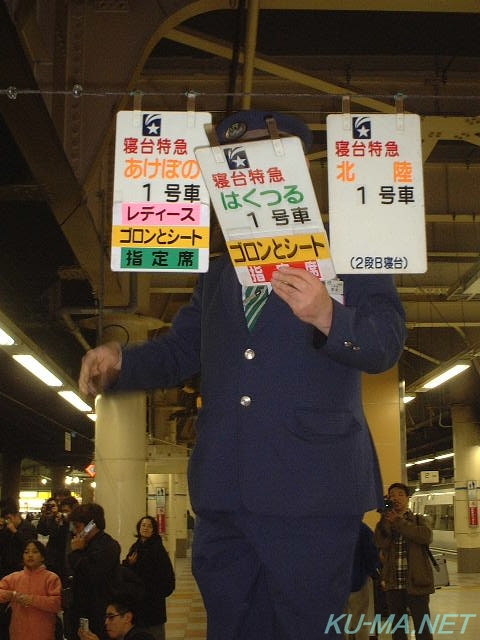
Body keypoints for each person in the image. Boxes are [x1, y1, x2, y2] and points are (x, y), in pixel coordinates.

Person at [78, 109, 407, 640]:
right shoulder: (215, 271)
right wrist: (122, 359)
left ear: (295, 168)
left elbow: (385, 342)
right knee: (229, 627)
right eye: (230, 169)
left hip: (312, 493)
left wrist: (328, 313)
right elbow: (183, 350)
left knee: (306, 629)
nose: (242, 180)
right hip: (223, 492)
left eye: (256, 162)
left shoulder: (352, 250)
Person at [374, 482, 434, 640]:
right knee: (398, 630)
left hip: (416, 582)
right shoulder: (386, 521)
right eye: (392, 495)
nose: (396, 498)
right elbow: (381, 542)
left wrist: (398, 522)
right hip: (393, 583)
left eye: (400, 494)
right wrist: (384, 519)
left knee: (423, 629)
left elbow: (425, 536)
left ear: (407, 498)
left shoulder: (419, 520)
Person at [67, 503, 121, 640]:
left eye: (78, 527)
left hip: (98, 614)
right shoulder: (84, 545)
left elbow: (92, 575)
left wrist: (77, 553)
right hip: (81, 611)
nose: (75, 531)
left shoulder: (108, 546)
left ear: (91, 525)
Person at [122, 516, 175, 640]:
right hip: (137, 602)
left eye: (149, 526)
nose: (146, 528)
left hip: (153, 603)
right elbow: (126, 570)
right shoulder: (135, 547)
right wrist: (129, 564)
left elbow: (167, 577)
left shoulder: (157, 549)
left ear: (154, 530)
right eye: (143, 525)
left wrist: (157, 592)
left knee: (154, 633)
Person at [0, 539, 62, 640]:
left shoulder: (51, 578)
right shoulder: (14, 577)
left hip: (43, 633)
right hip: (18, 633)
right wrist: (12, 595)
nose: (30, 555)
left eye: (35, 552)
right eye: (26, 552)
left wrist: (31, 599)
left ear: (42, 557)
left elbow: (56, 604)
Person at [344, 522, 380, 639]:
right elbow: (372, 554)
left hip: (337, 585)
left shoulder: (333, 529)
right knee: (360, 623)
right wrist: (370, 571)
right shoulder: (362, 529)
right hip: (357, 582)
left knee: (339, 624)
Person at [78, 595, 155, 640]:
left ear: (127, 617)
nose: (106, 622)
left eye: (111, 617)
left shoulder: (141, 638)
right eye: (106, 617)